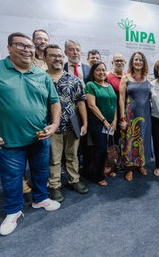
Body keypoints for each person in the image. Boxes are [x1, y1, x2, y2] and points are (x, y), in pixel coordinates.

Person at [0, 32, 61, 236]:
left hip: (39, 137)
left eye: (29, 46)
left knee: (41, 172)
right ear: (9, 47)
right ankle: (13, 210)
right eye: (21, 45)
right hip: (8, 139)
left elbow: (54, 102)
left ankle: (40, 199)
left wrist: (54, 124)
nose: (27, 49)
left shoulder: (41, 75)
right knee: (12, 178)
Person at [44, 44, 89, 202]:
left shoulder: (73, 80)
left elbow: (81, 103)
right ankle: (54, 186)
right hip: (50, 126)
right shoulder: (40, 79)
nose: (56, 58)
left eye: (58, 55)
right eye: (52, 55)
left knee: (72, 156)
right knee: (54, 158)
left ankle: (74, 180)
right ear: (45, 58)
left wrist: (84, 124)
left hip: (72, 123)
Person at [119, 51, 152, 181]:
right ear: (132, 62)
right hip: (130, 116)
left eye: (140, 60)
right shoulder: (125, 78)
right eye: (136, 60)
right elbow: (121, 99)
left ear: (144, 63)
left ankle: (140, 165)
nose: (138, 62)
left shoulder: (148, 78)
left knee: (143, 140)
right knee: (130, 141)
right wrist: (122, 118)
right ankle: (129, 168)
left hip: (145, 115)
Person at [85, 61, 118, 186]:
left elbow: (114, 105)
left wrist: (114, 121)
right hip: (98, 124)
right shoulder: (90, 85)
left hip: (110, 124)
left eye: (103, 70)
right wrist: (104, 121)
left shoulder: (108, 85)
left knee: (109, 149)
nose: (101, 72)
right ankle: (97, 176)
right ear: (93, 72)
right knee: (100, 150)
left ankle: (107, 169)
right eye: (98, 70)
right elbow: (91, 106)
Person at [107, 54, 126, 144]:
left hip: (127, 114)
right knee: (113, 142)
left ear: (125, 63)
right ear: (112, 63)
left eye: (121, 61)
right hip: (113, 114)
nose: (119, 63)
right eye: (117, 61)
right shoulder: (108, 77)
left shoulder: (128, 77)